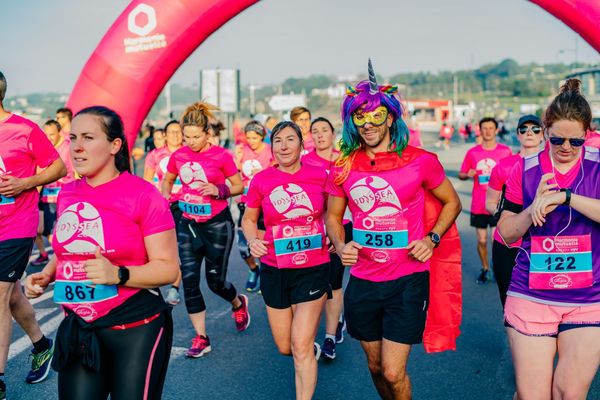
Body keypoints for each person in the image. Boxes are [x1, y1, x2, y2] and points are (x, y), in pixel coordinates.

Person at [326, 62, 461, 400]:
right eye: (360, 117)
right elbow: (332, 217)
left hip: (407, 280)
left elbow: (452, 203)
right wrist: (341, 244)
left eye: (376, 116)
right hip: (364, 281)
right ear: (351, 120)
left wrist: (432, 239)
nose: (368, 124)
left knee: (392, 370)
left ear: (390, 118)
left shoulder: (420, 160)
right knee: (374, 368)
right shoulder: (343, 166)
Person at [25, 106, 178, 400]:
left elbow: (168, 269)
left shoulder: (143, 194)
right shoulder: (69, 192)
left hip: (135, 327)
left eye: (88, 137)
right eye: (73, 138)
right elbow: (70, 249)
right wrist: (47, 274)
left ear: (114, 145)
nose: (77, 147)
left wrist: (118, 274)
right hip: (80, 325)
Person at [498, 78, 600, 400]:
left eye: (575, 141)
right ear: (545, 131)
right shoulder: (524, 169)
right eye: (557, 140)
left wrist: (566, 198)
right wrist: (531, 211)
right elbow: (503, 233)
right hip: (531, 294)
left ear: (588, 133)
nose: (567, 148)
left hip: (588, 298)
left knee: (569, 393)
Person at [242, 121, 329, 400]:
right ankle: (307, 351)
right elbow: (249, 218)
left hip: (313, 266)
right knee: (285, 347)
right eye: (278, 141)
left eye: (290, 139)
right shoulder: (262, 180)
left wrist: (334, 235)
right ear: (272, 147)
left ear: (302, 145)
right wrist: (253, 239)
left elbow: (334, 212)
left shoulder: (320, 175)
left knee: (300, 346)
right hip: (275, 267)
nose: (284, 146)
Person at [162, 102, 250, 359]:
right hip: (188, 224)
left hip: (217, 225)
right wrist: (168, 196)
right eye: (186, 137)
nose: (190, 141)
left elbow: (238, 186)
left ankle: (237, 302)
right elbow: (168, 180)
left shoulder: (221, 155)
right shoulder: (179, 156)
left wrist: (217, 190)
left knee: (215, 283)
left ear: (207, 133)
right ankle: (201, 337)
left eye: (196, 136)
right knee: (189, 280)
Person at [0, 71, 67, 399]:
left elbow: (59, 168)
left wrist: (25, 183)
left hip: (16, 225)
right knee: (11, 297)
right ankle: (43, 344)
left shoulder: (23, 129)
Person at [302, 117, 349, 359]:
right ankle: (311, 333)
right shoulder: (305, 162)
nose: (320, 135)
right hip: (315, 230)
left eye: (324, 130)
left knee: (335, 282)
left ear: (333, 134)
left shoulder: (346, 160)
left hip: (343, 227)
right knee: (317, 284)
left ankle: (329, 338)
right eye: (315, 132)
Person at [486, 115, 543, 308]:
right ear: (517, 135)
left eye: (535, 129)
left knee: (541, 301)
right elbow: (490, 202)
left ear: (543, 134)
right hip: (508, 243)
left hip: (541, 242)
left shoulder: (552, 165)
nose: (529, 132)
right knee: (509, 299)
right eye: (524, 129)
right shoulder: (503, 166)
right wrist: (506, 218)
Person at [459, 117, 512, 284]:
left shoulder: (505, 151)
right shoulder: (473, 153)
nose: (488, 131)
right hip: (478, 204)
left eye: (491, 128)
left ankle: (499, 269)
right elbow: (462, 173)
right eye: (484, 128)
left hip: (498, 205)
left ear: (496, 130)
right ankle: (485, 268)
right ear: (480, 131)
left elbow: (513, 175)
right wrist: (467, 175)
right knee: (481, 240)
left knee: (497, 241)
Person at [143, 120, 184, 305]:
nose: (176, 135)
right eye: (171, 132)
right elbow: (147, 182)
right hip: (162, 206)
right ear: (165, 135)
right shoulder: (155, 155)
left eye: (178, 132)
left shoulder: (189, 153)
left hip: (185, 205)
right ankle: (153, 281)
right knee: (158, 246)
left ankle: (174, 288)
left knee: (180, 247)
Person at [234, 120, 272, 292]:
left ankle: (265, 274)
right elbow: (233, 174)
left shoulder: (270, 151)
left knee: (263, 242)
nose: (251, 141)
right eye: (248, 137)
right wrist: (237, 159)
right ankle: (253, 269)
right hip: (245, 202)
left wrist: (264, 174)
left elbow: (278, 172)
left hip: (265, 202)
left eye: (254, 137)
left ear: (262, 136)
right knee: (244, 245)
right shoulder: (243, 150)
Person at [32, 120, 76, 266]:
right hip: (45, 195)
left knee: (56, 231)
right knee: (38, 229)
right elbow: (39, 171)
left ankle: (63, 261)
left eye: (51, 134)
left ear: (59, 133)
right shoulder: (45, 148)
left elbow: (76, 171)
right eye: (46, 134)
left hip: (64, 196)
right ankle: (45, 255)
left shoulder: (68, 148)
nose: (48, 137)